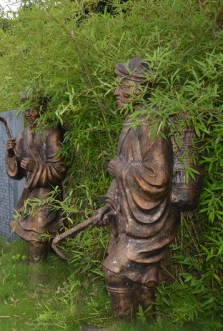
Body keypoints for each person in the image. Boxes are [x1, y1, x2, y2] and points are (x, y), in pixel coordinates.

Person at [90, 57, 178, 321]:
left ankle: (123, 325)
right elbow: (124, 165)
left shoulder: (151, 123)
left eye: (122, 86)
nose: (116, 92)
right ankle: (148, 320)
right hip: (132, 213)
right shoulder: (133, 120)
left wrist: (121, 171)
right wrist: (109, 204)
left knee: (114, 269)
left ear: (140, 87)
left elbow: (158, 177)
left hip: (152, 218)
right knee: (141, 274)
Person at [6, 91, 67, 264]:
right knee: (30, 232)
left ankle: (39, 272)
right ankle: (38, 268)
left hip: (48, 193)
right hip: (31, 193)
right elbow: (17, 172)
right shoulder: (24, 135)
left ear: (43, 108)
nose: (29, 113)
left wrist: (37, 167)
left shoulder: (52, 132)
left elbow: (60, 169)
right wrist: (11, 153)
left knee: (38, 232)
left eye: (33, 109)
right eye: (26, 109)